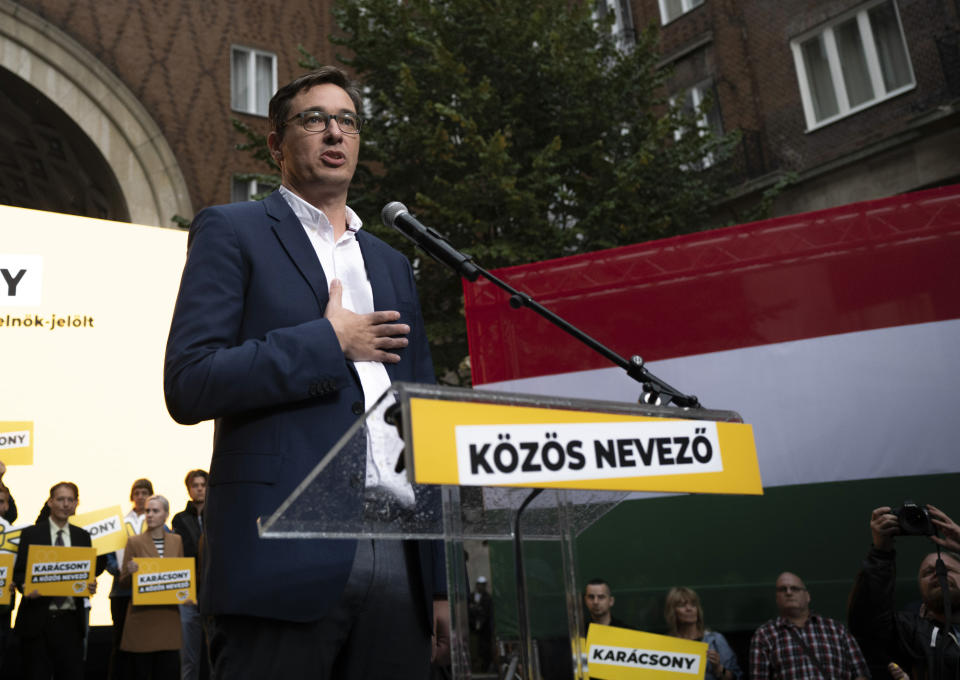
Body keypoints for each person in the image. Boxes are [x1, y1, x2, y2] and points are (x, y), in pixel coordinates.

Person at [164, 66, 447, 679]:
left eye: (347, 121)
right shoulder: (232, 230)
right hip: (279, 556)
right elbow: (190, 381)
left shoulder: (392, 263)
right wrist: (327, 341)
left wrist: (438, 580)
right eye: (313, 119)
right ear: (276, 144)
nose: (334, 133)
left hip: (398, 558)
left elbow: (416, 416)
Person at [849, 504, 960, 679]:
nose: (937, 575)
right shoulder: (911, 632)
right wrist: (880, 552)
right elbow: (868, 622)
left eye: (947, 570)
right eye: (927, 573)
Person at [12, 482, 99, 679]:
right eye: (60, 499)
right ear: (50, 502)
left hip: (70, 621)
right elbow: (18, 573)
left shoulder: (82, 537)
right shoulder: (31, 534)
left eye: (70, 500)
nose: (65, 504)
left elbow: (86, 574)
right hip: (37, 621)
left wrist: (90, 585)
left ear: (77, 503)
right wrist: (23, 586)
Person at [750, 571, 869, 680]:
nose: (789, 592)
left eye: (795, 588)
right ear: (777, 598)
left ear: (807, 596)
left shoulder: (837, 630)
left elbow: (861, 674)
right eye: (782, 589)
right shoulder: (764, 634)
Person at [120, 495, 183, 679]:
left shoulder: (177, 541)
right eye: (147, 510)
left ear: (166, 515)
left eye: (155, 511)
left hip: (168, 618)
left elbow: (180, 576)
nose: (149, 514)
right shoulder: (134, 542)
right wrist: (130, 572)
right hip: (143, 618)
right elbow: (123, 580)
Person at [105, 478, 154, 680]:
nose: (141, 497)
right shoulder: (118, 524)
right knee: (121, 643)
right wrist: (120, 569)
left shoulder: (160, 523)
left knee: (148, 643)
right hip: (122, 591)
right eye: (137, 493)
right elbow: (108, 557)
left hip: (150, 592)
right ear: (132, 497)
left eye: (144, 493)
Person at [171, 470, 207, 680]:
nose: (200, 488)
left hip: (214, 591)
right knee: (188, 657)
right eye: (195, 485)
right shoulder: (180, 519)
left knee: (217, 653)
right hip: (188, 594)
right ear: (189, 489)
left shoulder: (219, 514)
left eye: (203, 484)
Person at [665, 586, 742, 680]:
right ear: (673, 612)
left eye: (693, 605)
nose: (689, 609)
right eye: (682, 605)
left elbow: (734, 677)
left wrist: (718, 668)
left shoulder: (715, 640)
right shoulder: (666, 644)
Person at [469, 576, 494, 672]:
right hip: (473, 629)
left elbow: (487, 613)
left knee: (484, 650)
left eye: (483, 585)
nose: (481, 587)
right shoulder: (471, 596)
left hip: (485, 631)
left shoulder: (487, 598)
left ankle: (484, 668)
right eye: (479, 585)